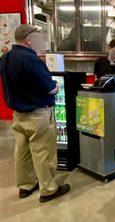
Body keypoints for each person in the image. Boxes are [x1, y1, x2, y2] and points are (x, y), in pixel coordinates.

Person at [0, 24, 70, 203]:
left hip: (18, 114)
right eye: (39, 37)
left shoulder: (5, 57)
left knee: (22, 151)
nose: (42, 41)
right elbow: (50, 88)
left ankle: (25, 186)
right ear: (29, 39)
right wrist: (55, 86)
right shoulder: (32, 59)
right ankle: (48, 189)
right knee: (42, 151)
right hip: (38, 114)